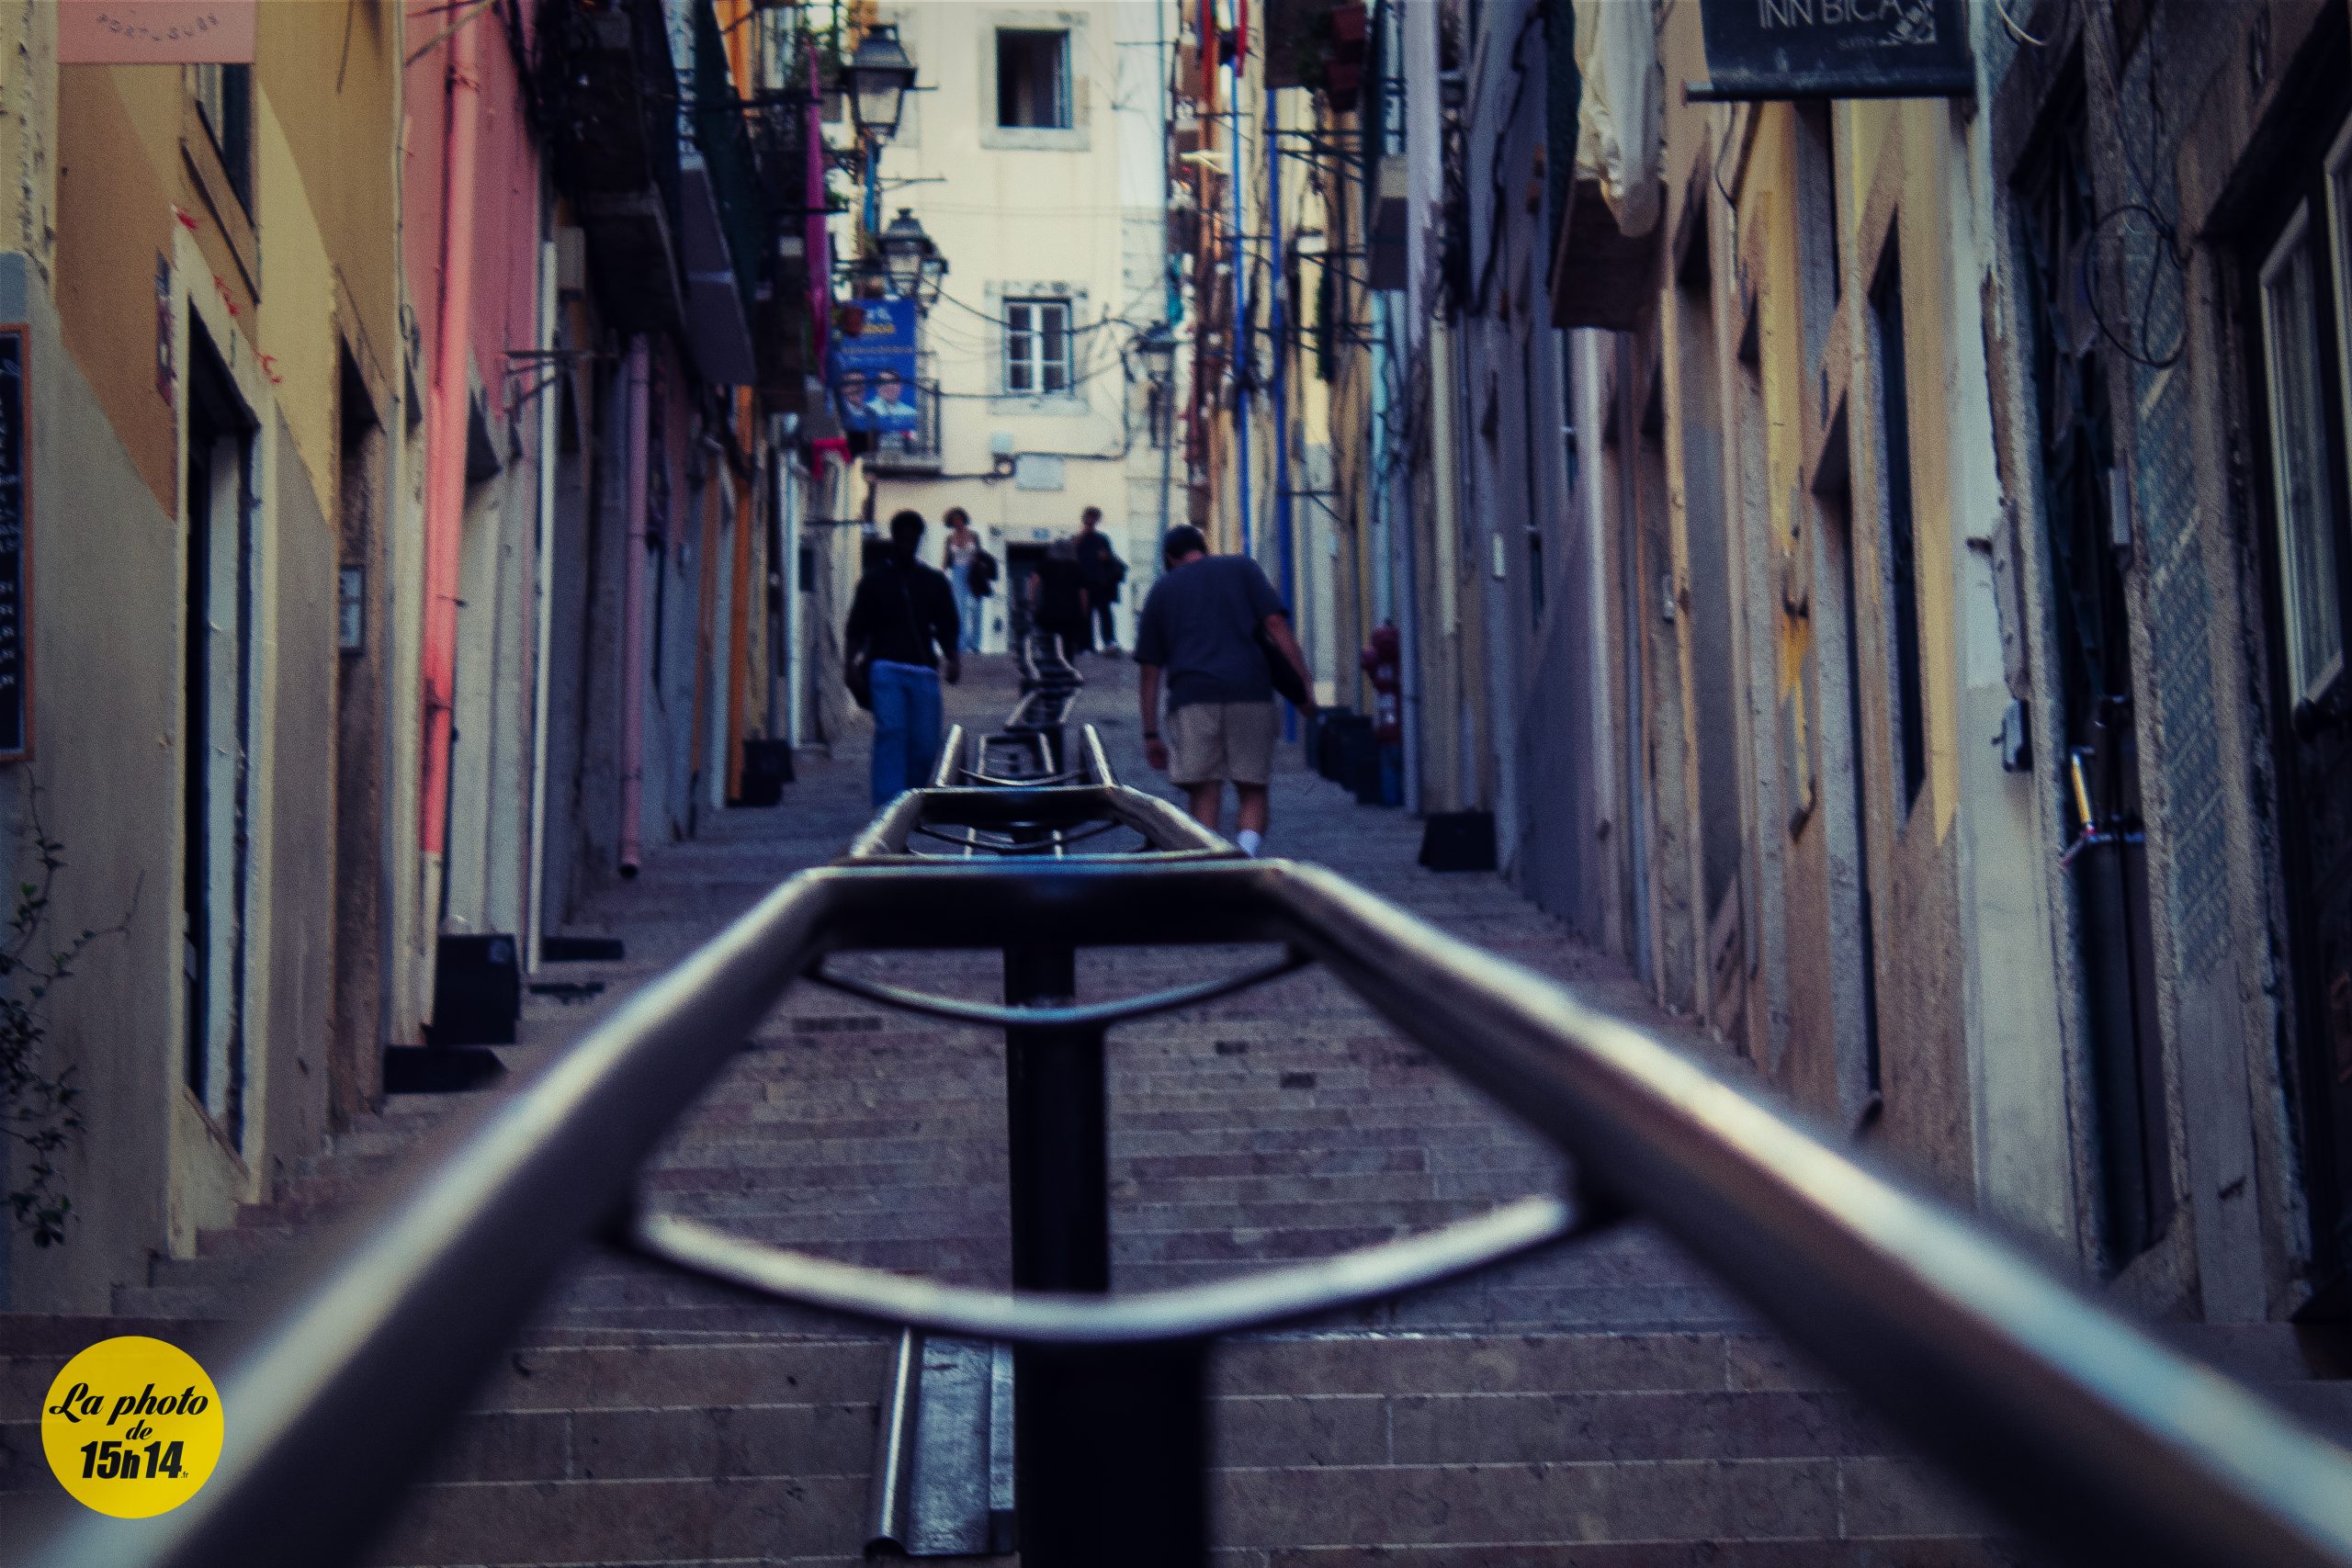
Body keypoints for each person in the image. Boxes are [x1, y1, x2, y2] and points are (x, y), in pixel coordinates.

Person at [1134, 524, 1313, 856]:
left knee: (1204, 792)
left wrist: (1150, 734)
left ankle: (1209, 868)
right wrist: (1303, 685)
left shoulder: (1163, 590)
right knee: (1253, 789)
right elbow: (1276, 625)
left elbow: (1150, 670)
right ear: (1204, 548)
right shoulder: (1242, 568)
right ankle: (1245, 855)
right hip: (1250, 693)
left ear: (1170, 559)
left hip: (1192, 698)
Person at [845, 510, 961, 806]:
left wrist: (952, 657)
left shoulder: (934, 582)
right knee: (892, 732)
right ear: (894, 537)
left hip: (923, 672)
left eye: (913, 537)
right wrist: (850, 665)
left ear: (919, 539)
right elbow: (856, 626)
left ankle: (908, 800)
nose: (908, 542)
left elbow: (948, 623)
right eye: (903, 536)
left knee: (925, 744)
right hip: (884, 669)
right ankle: (888, 806)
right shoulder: (873, 581)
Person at [1026, 536, 1091, 660]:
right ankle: (1068, 669)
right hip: (1071, 613)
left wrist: (1031, 600)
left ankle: (1050, 668)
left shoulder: (1046, 564)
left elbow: (1034, 581)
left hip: (1049, 611)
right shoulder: (1076, 567)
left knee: (1049, 643)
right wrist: (1084, 613)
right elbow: (1083, 593)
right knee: (1068, 644)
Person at [1073, 504, 1127, 654]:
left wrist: (1107, 557)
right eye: (1089, 517)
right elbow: (1072, 555)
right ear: (1084, 518)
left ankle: (1109, 641)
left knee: (1105, 612)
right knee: (1085, 613)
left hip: (1101, 582)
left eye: (1094, 517)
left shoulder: (1102, 539)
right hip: (1083, 583)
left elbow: (1110, 558)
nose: (1092, 520)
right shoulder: (1077, 539)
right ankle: (1085, 645)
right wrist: (1082, 535)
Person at [943, 507, 984, 653]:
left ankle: (975, 644)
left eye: (959, 519)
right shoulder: (949, 538)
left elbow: (980, 555)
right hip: (957, 573)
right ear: (951, 522)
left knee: (976, 608)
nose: (957, 522)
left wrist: (976, 561)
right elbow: (946, 558)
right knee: (959, 610)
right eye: (954, 520)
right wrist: (942, 573)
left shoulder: (974, 535)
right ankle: (961, 646)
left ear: (964, 519)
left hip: (973, 575)